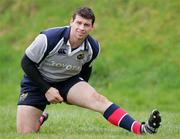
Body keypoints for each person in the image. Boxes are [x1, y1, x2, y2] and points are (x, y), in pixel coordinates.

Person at [16, 7, 161, 135]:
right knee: (25, 133)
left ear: (92, 27)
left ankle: (141, 129)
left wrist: (74, 95)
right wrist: (47, 89)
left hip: (67, 81)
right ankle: (39, 119)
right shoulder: (48, 38)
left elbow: (85, 70)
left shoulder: (93, 47)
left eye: (86, 24)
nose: (81, 28)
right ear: (71, 22)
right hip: (37, 82)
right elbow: (26, 63)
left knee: (99, 100)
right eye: (78, 23)